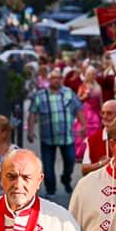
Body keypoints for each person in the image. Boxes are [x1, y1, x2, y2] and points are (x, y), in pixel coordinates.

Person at [27, 68, 86, 196]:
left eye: (59, 78)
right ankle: (51, 189)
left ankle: (65, 179)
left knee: (70, 161)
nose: (56, 80)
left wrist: (83, 126)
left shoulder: (69, 93)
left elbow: (79, 109)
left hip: (67, 137)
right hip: (48, 137)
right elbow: (32, 113)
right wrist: (30, 131)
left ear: (62, 80)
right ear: (49, 80)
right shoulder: (40, 95)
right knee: (48, 166)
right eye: (53, 78)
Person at [81, 98, 116, 175]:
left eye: (109, 113)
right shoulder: (92, 140)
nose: (105, 116)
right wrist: (100, 164)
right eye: (102, 113)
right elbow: (84, 170)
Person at [75, 65, 103, 158]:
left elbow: (101, 100)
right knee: (83, 129)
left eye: (94, 74)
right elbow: (77, 99)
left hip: (95, 111)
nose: (93, 76)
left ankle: (93, 151)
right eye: (91, 74)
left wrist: (102, 111)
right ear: (87, 75)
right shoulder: (83, 86)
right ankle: (81, 152)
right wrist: (85, 96)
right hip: (86, 111)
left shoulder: (98, 86)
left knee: (96, 131)